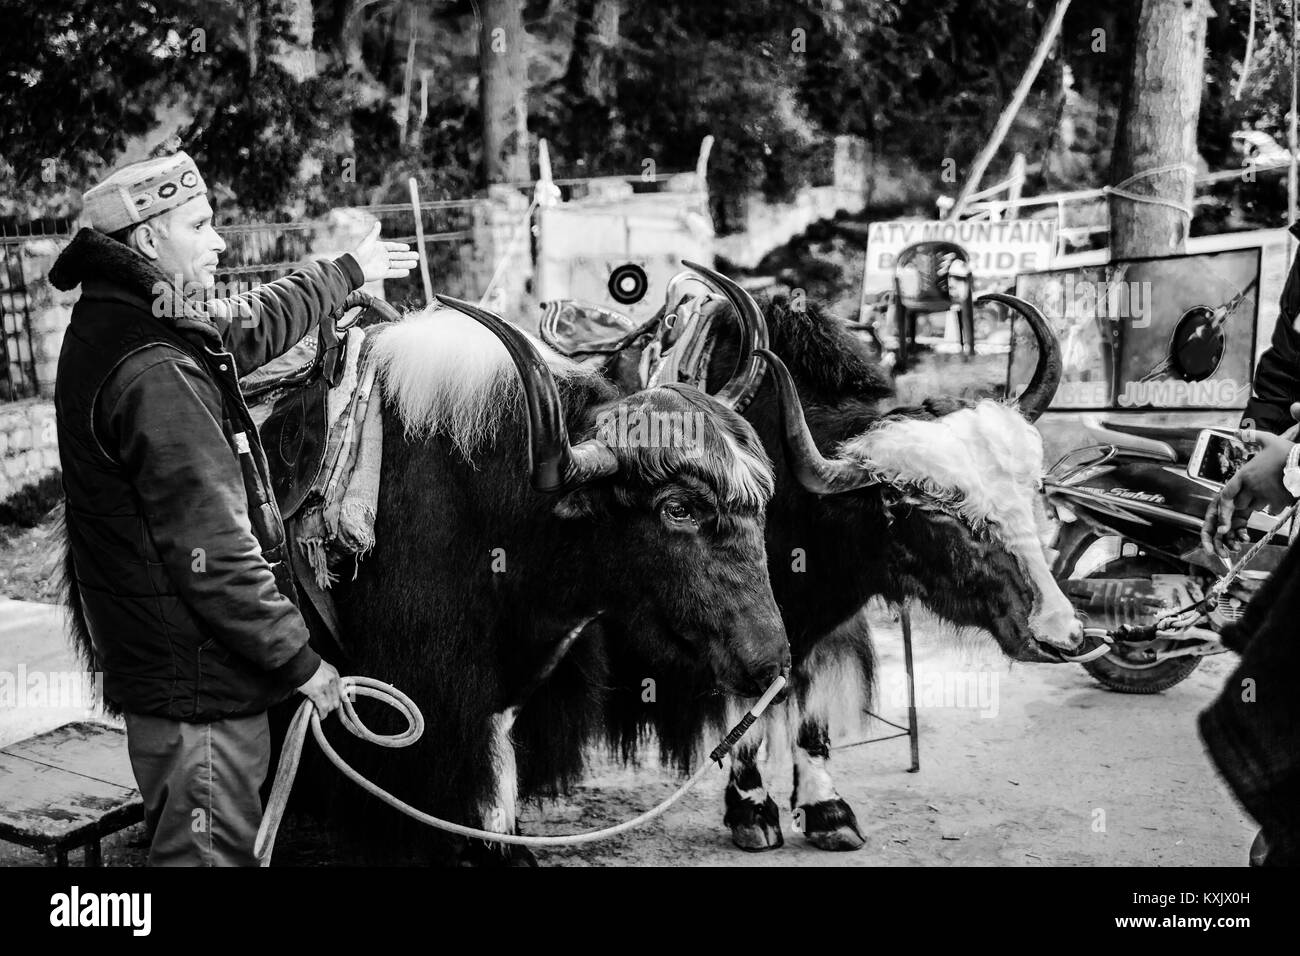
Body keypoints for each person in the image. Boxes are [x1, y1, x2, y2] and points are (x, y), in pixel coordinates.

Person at [49, 152, 418, 866]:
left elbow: (247, 326)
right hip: (200, 694)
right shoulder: (156, 369)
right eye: (200, 225)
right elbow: (216, 553)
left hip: (181, 677)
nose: (219, 241)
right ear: (149, 242)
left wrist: (342, 272)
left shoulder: (133, 316)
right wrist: (303, 664)